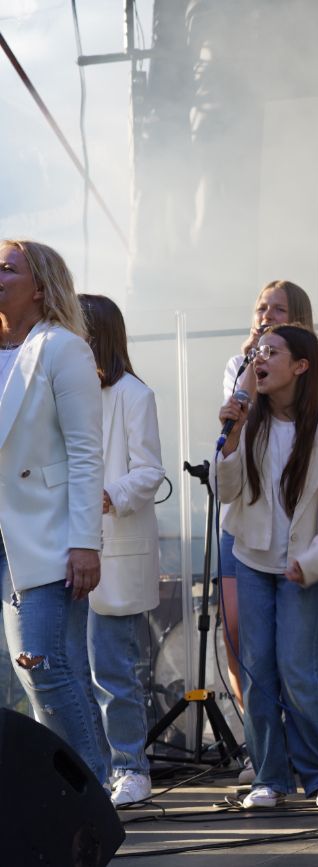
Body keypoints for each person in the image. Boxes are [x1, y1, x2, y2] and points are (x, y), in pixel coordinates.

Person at [220, 280, 318, 784]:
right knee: (258, 672)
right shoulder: (249, 422)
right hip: (253, 557)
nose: (259, 357)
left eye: (272, 352)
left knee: (299, 671)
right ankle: (268, 778)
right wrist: (232, 436)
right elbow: (227, 490)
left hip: (302, 566)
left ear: (300, 366)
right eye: (257, 351)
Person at [0, 239, 108, 785]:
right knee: (29, 677)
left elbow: (88, 451)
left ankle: (88, 793)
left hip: (41, 531)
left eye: (6, 268)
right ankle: (56, 796)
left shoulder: (61, 348)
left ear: (39, 287)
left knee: (43, 665)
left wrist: (85, 541)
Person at [81, 294, 166, 808]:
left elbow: (149, 470)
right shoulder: (59, 392)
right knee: (68, 671)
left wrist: (108, 496)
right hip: (60, 548)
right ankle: (89, 768)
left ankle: (131, 768)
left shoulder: (134, 394)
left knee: (113, 670)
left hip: (111, 548)